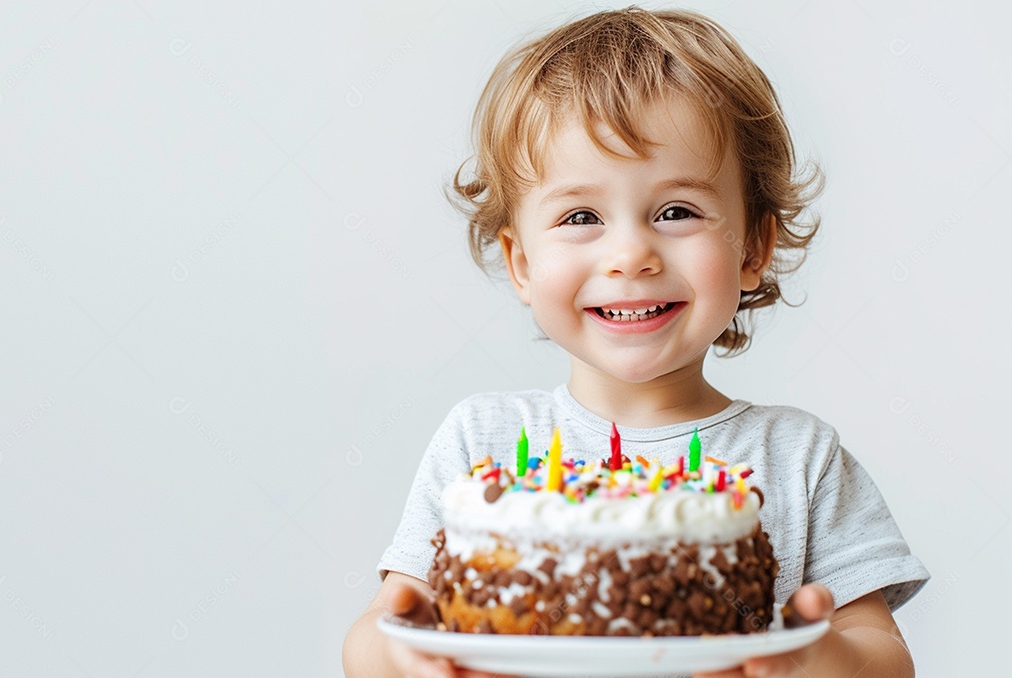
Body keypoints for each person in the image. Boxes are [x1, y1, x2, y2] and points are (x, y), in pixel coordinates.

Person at [343, 6, 929, 677]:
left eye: (676, 211)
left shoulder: (800, 460)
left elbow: (885, 658)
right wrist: (401, 656)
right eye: (581, 215)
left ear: (754, 246)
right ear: (523, 263)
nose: (629, 254)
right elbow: (377, 630)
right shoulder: (480, 444)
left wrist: (814, 658)